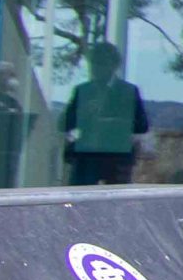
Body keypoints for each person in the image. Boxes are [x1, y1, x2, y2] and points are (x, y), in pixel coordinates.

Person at [62, 41, 148, 187]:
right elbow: (65, 123)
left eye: (102, 63)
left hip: (117, 159)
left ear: (114, 65)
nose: (96, 68)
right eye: (94, 63)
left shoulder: (128, 92)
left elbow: (142, 126)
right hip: (86, 158)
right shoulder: (83, 91)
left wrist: (116, 123)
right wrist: (84, 114)